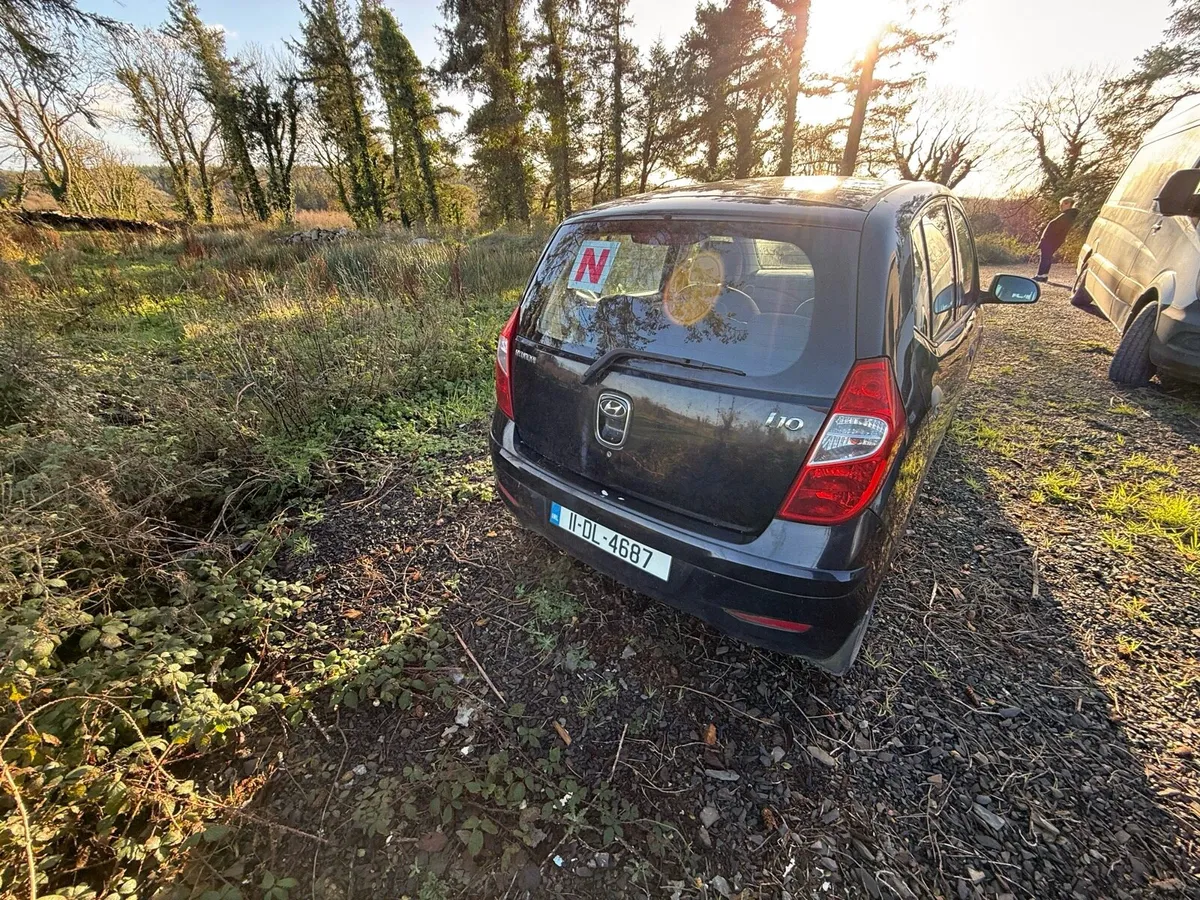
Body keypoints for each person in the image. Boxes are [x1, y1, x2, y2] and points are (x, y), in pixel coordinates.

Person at [1034, 197, 1079, 282]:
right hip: (1053, 240)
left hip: (1051, 240)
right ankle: (1044, 275)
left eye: (1062, 204)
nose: (1060, 206)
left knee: (1045, 257)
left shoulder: (1067, 216)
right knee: (1047, 257)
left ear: (1068, 204)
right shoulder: (1067, 215)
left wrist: (1047, 238)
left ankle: (1040, 275)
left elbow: (1055, 228)